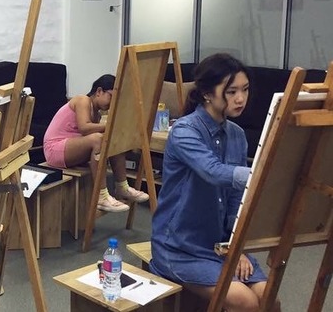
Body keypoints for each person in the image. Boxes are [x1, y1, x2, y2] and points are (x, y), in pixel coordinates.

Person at [149, 53, 280, 312]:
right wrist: (265, 174)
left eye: (245, 89)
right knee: (245, 301)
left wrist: (236, 248)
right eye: (231, 91)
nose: (240, 98)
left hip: (221, 246)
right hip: (179, 247)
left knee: (269, 298)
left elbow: (236, 199)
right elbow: (213, 171)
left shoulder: (237, 135)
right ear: (207, 94)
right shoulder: (185, 131)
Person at [43, 74, 149, 213]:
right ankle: (102, 196)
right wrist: (112, 126)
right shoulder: (83, 100)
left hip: (69, 148)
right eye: (111, 96)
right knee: (99, 138)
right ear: (99, 91)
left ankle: (122, 186)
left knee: (111, 138)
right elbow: (84, 127)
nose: (112, 103)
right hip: (54, 149)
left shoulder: (97, 114)